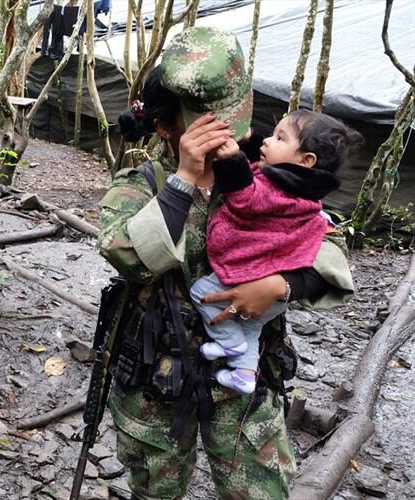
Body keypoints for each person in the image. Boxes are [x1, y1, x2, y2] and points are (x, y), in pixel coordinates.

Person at [99, 27, 354, 499]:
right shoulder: (144, 183)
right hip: (158, 382)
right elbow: (125, 254)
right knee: (156, 491)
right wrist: (183, 178)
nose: (225, 138)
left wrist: (278, 287)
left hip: (244, 385)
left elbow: (331, 257)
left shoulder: (273, 179)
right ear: (166, 126)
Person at [191, 110, 362, 394]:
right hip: (270, 302)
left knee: (202, 293)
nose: (267, 142)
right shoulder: (304, 189)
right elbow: (264, 171)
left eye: (279, 138)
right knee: (252, 329)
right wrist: (250, 142)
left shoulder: (282, 191)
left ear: (306, 160)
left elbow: (250, 196)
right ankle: (245, 373)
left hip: (246, 280)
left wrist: (232, 160)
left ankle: (228, 344)